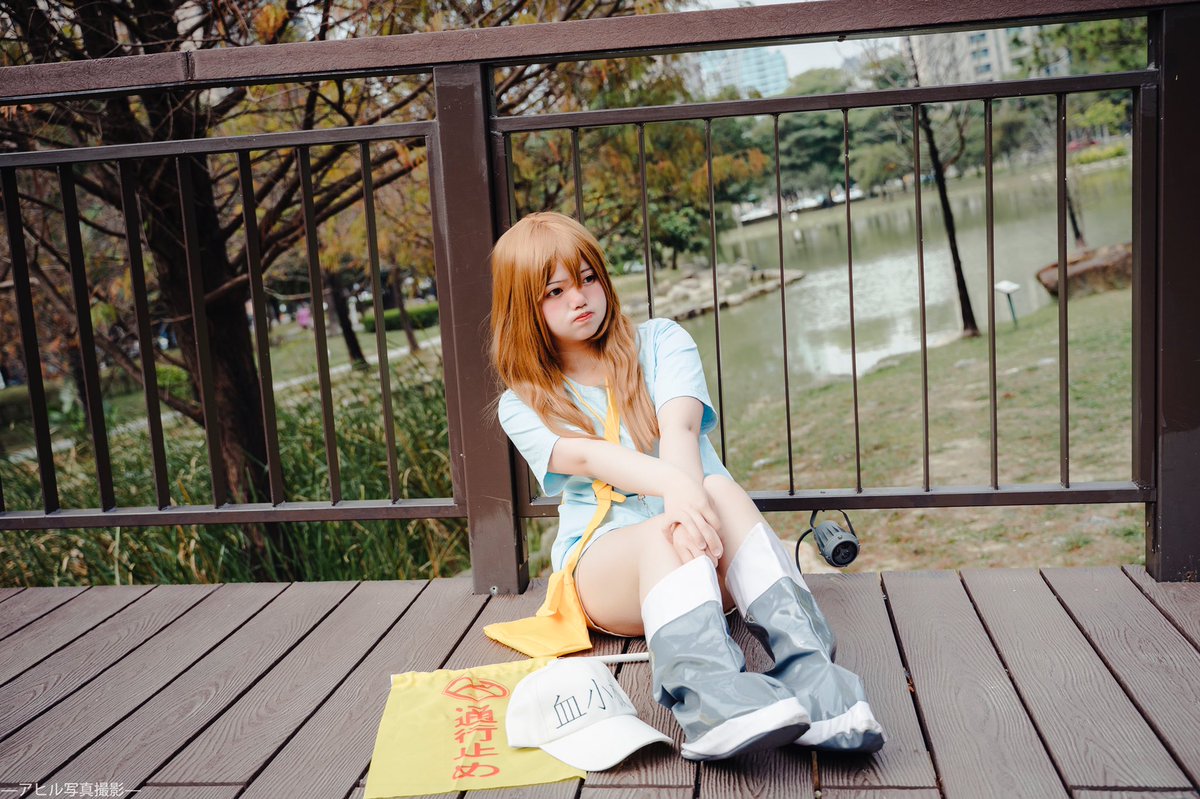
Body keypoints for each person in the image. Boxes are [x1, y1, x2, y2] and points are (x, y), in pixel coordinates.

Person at [490, 211, 883, 762]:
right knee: (661, 533)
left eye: (587, 278)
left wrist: (685, 505)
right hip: (610, 572)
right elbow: (589, 455)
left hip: (709, 551)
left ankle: (816, 678)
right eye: (554, 291)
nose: (578, 298)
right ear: (523, 309)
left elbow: (679, 427)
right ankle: (710, 703)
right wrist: (675, 500)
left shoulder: (661, 341)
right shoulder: (523, 402)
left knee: (719, 490)